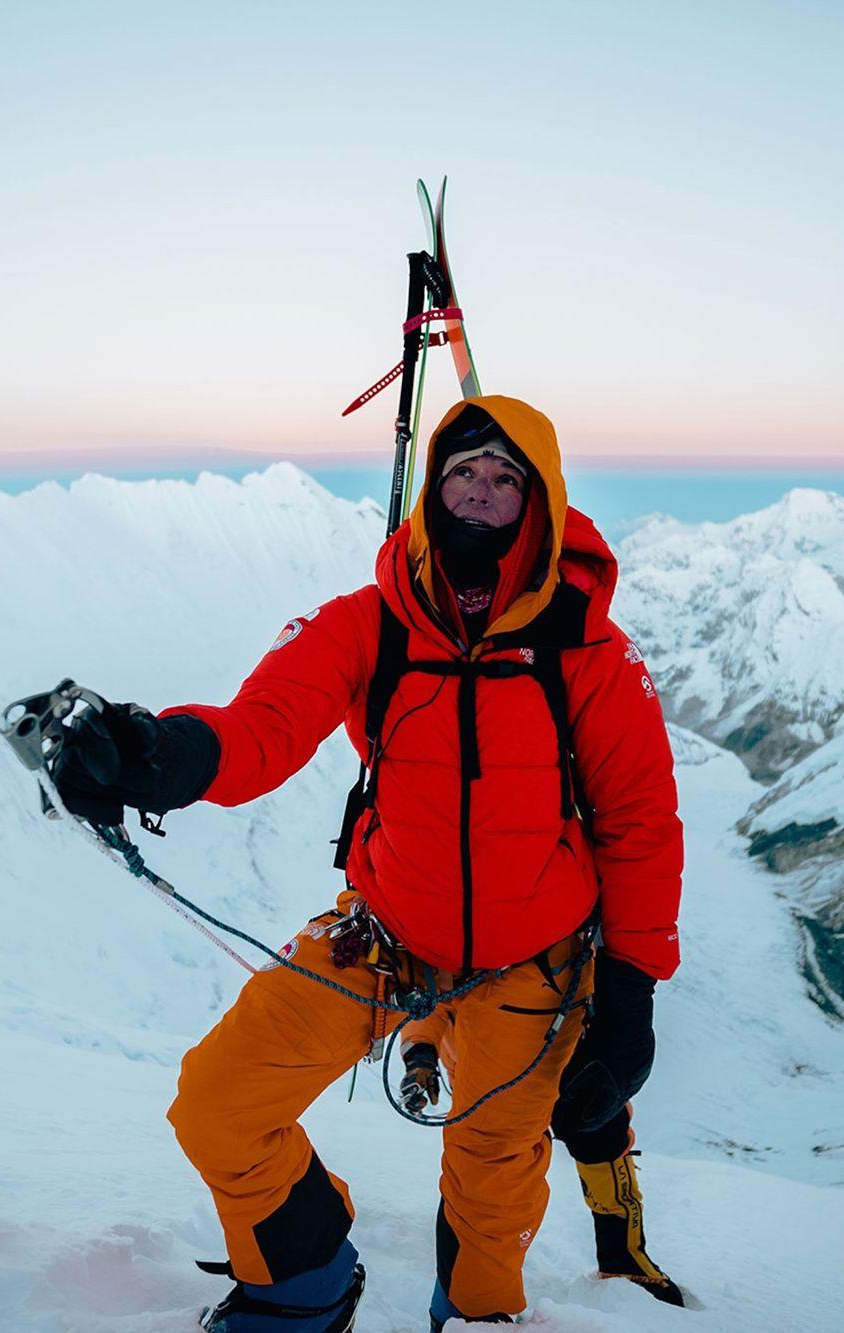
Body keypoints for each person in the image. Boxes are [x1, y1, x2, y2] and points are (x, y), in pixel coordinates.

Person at [48, 395, 683, 1331]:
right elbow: (264, 724)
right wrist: (160, 755)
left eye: (506, 479)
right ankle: (305, 1279)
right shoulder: (369, 623)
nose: (479, 493)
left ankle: (473, 1316)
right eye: (463, 471)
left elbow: (638, 823)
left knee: (491, 1197)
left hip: (534, 966)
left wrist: (631, 994)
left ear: (537, 505)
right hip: (384, 932)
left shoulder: (587, 651)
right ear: (433, 487)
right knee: (220, 1101)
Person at [398, 1010, 685, 1306]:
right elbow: (428, 992)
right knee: (488, 1177)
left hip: (561, 1050)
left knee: (601, 1133)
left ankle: (622, 1256)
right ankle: (475, 1294)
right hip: (488, 1073)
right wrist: (420, 1050)